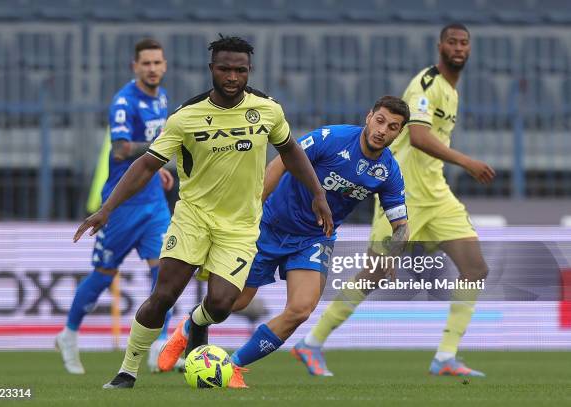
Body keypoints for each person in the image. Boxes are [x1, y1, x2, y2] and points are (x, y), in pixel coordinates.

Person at [73, 35, 333, 389]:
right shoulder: (186, 117)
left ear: (249, 71)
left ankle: (196, 324)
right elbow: (147, 165)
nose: (232, 76)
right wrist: (106, 209)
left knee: (224, 304)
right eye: (224, 68)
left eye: (239, 70)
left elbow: (290, 151)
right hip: (193, 217)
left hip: (240, 225)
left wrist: (317, 194)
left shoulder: (268, 110)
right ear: (212, 69)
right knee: (163, 296)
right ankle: (127, 371)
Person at [158, 96, 411, 387]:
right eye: (380, 120)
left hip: (314, 239)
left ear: (399, 133)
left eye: (392, 127)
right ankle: (188, 327)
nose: (383, 130)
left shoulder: (389, 172)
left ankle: (233, 367)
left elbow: (401, 225)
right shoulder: (332, 138)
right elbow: (281, 162)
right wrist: (253, 211)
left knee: (301, 309)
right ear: (369, 117)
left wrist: (394, 251)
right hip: (270, 226)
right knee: (233, 302)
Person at [296, 23, 495, 377]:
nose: (459, 48)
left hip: (437, 193)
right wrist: (466, 161)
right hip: (404, 194)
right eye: (453, 42)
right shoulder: (427, 84)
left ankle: (445, 356)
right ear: (440, 47)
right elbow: (417, 136)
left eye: (465, 43)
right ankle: (311, 342)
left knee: (475, 268)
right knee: (375, 273)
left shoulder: (451, 91)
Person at [55, 38, 176, 375]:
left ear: (164, 66)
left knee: (164, 272)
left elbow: (151, 155)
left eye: (157, 62)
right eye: (146, 63)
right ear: (134, 67)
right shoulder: (124, 102)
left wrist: (161, 169)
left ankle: (158, 346)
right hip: (122, 204)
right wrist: (160, 148)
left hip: (153, 202)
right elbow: (122, 151)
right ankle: (68, 335)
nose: (152, 68)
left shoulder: (162, 98)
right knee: (103, 276)